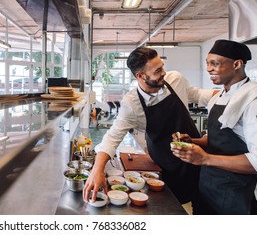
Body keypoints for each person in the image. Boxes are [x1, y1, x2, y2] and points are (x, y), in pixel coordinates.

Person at [82, 46, 215, 214]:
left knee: (205, 211)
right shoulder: (132, 103)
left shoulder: (175, 80)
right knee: (174, 211)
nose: (164, 73)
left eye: (162, 66)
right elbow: (113, 136)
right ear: (140, 76)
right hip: (167, 170)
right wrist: (97, 169)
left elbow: (197, 95)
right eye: (158, 70)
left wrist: (231, 93)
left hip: (201, 161)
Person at [171, 39, 257, 214]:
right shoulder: (218, 97)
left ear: (237, 64)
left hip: (241, 194)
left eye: (215, 63)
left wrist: (205, 159)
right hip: (211, 187)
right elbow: (221, 138)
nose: (209, 68)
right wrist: (194, 141)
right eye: (207, 63)